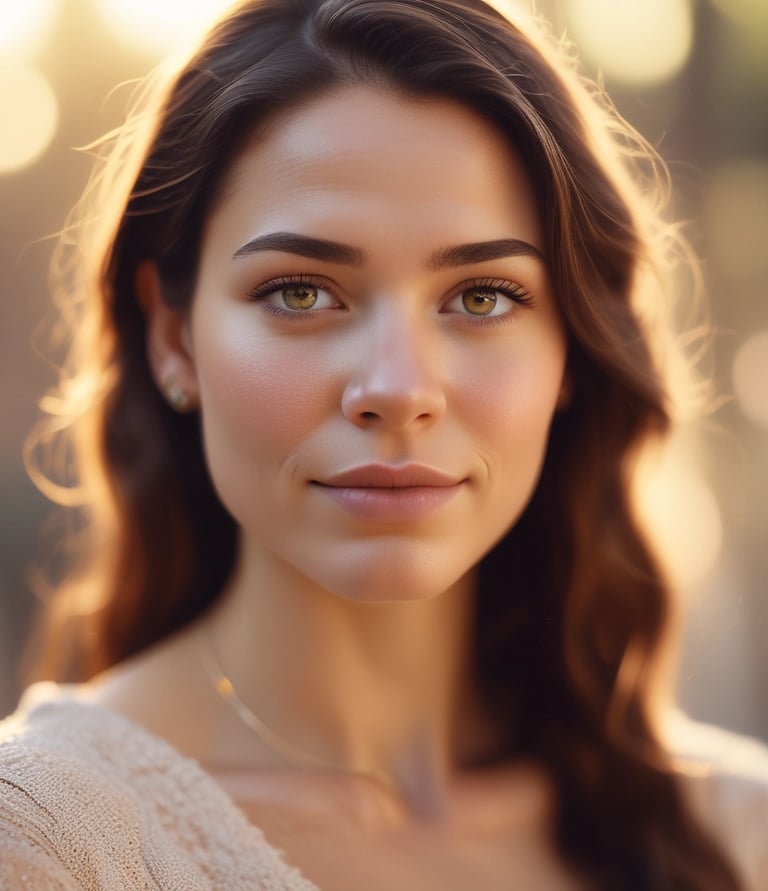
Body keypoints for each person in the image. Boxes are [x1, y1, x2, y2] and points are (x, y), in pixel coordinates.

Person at [1, 0, 766, 887]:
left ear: (571, 354)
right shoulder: (49, 837)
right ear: (174, 336)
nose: (398, 389)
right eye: (299, 292)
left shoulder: (733, 832)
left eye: (482, 296)